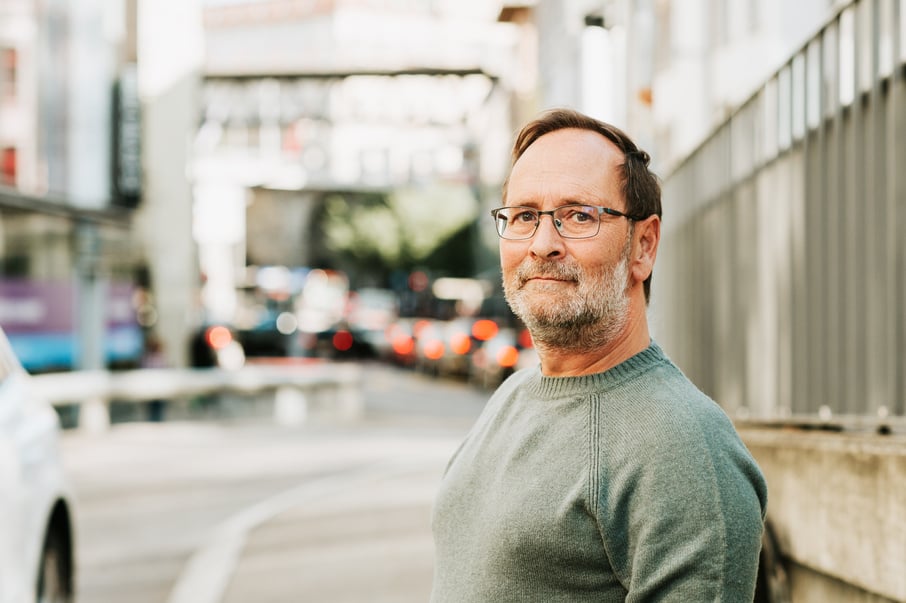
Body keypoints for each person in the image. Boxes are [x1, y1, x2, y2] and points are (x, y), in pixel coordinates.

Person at [430, 108, 768, 602]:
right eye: (524, 216)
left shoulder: (683, 448)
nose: (543, 244)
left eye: (578, 216)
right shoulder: (514, 395)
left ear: (643, 246)